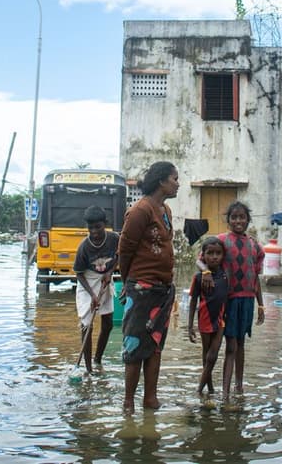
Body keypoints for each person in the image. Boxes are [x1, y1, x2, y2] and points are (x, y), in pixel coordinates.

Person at [117, 161, 179, 413]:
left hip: (162, 290)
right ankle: (129, 401)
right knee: (134, 345)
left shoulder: (165, 210)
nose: (178, 184)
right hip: (141, 288)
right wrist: (127, 283)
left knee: (154, 345)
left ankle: (150, 398)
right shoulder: (140, 211)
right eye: (175, 179)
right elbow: (125, 249)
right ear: (161, 181)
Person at [197, 201, 265, 403]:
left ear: (248, 220)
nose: (238, 221)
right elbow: (199, 260)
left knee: (241, 343)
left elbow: (256, 278)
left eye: (241, 217)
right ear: (228, 221)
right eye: (234, 217)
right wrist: (206, 272)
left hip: (247, 300)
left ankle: (239, 386)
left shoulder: (255, 246)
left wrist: (261, 305)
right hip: (228, 300)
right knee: (230, 345)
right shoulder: (221, 241)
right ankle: (225, 394)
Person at [73, 205, 120, 373]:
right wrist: (93, 296)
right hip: (87, 282)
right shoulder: (84, 247)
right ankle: (88, 369)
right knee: (87, 326)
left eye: (98, 227)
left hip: (105, 279)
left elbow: (120, 255)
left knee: (107, 324)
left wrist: (110, 271)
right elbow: (78, 274)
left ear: (105, 224)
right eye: (90, 228)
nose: (94, 231)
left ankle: (98, 360)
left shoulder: (114, 238)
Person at [187, 236, 228, 397]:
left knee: (212, 355)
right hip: (204, 319)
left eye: (218, 253)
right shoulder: (199, 278)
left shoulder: (225, 274)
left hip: (220, 319)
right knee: (207, 355)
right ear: (203, 256)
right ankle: (209, 389)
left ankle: (199, 390)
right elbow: (192, 302)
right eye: (210, 253)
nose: (214, 257)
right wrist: (190, 326)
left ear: (223, 256)